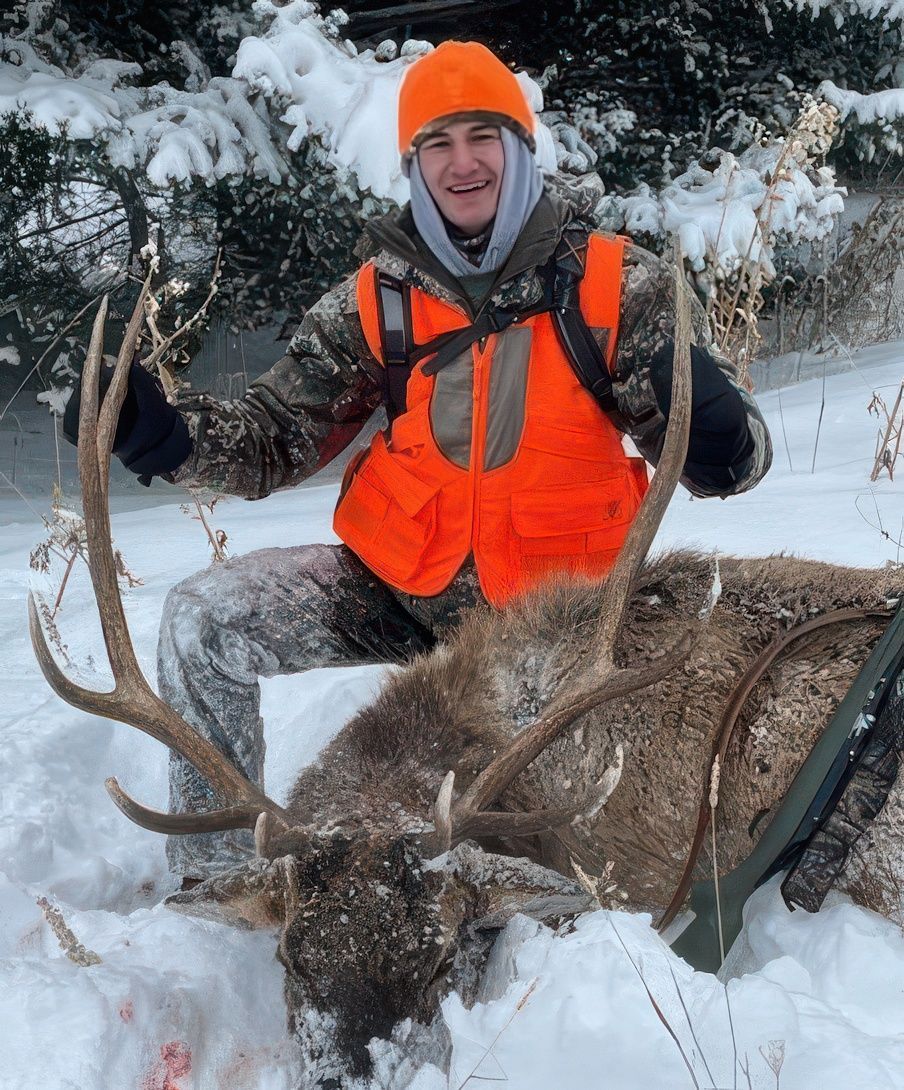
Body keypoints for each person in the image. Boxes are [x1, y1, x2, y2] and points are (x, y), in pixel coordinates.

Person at [65, 41, 772, 881]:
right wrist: (166, 435)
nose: (462, 163)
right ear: (413, 163)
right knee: (205, 620)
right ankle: (221, 882)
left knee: (542, 852)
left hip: (556, 630)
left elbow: (727, 461)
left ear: (518, 149)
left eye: (483, 137)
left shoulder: (616, 288)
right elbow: (272, 439)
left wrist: (724, 442)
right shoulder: (378, 299)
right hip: (398, 589)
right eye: (438, 143)